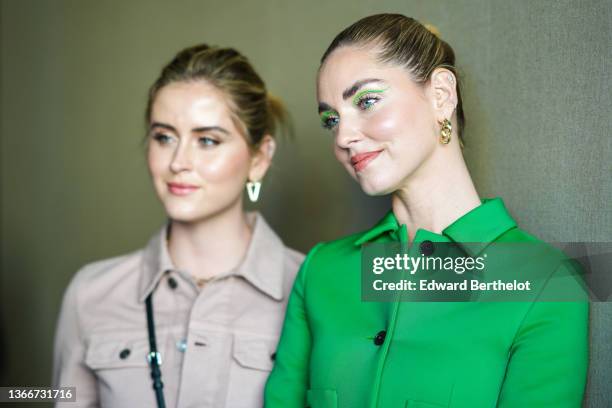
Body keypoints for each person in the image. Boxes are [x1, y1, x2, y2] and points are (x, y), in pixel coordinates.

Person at [264, 14, 588, 408]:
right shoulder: (321, 271)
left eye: (366, 101)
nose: (344, 136)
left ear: (441, 95)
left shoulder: (545, 281)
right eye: (331, 119)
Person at [53, 43, 304, 408]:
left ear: (259, 158)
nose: (178, 161)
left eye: (207, 140)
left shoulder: (310, 292)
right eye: (164, 137)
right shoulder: (90, 295)